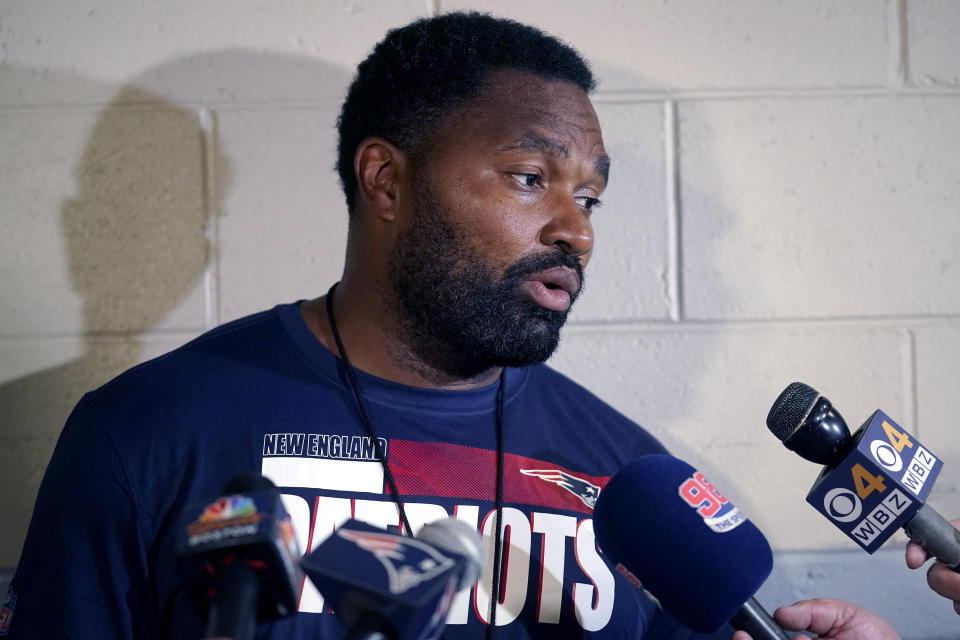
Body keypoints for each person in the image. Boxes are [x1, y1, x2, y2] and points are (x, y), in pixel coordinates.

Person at [0, 11, 912, 640]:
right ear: (386, 181)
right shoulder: (149, 433)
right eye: (530, 178)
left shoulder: (635, 484)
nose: (578, 229)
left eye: (589, 194)